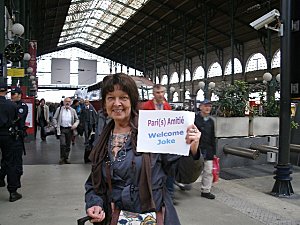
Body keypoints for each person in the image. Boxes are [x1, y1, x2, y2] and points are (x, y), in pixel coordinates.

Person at [84, 73, 201, 224]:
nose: (117, 103)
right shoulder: (102, 139)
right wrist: (95, 203)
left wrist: (193, 150)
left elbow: (184, 176)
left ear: (132, 101)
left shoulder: (153, 131)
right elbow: (94, 183)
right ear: (105, 103)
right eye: (111, 98)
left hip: (152, 215)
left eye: (123, 98)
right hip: (115, 217)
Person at [141, 84, 175, 201]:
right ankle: (152, 192)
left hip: (164, 142)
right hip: (152, 143)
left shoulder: (167, 106)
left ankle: (169, 194)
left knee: (168, 166)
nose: (160, 95)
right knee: (153, 167)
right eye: (158, 92)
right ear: (153, 94)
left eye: (162, 92)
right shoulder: (146, 106)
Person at [0, 83, 23, 202]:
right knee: (11, 162)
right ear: (6, 91)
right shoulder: (12, 105)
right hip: (7, 136)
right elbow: (16, 121)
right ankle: (13, 192)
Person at [194, 99, 216, 199]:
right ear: (200, 107)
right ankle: (184, 183)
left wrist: (214, 152)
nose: (208, 108)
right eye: (205, 106)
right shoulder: (194, 119)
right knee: (192, 169)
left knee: (208, 170)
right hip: (196, 149)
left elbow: (212, 137)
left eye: (209, 106)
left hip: (208, 149)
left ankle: (206, 190)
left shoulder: (211, 121)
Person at [53, 97, 79, 164]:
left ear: (71, 103)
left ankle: (66, 158)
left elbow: (77, 119)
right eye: (66, 101)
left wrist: (75, 124)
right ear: (64, 102)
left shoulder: (73, 111)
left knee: (68, 145)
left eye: (69, 101)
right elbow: (54, 118)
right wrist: (56, 126)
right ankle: (62, 158)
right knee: (62, 144)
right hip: (62, 129)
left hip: (70, 130)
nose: (67, 103)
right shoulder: (59, 109)